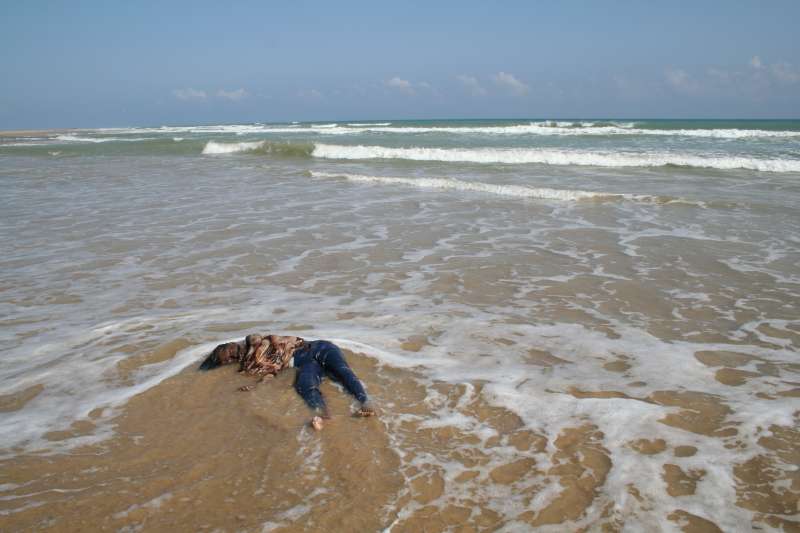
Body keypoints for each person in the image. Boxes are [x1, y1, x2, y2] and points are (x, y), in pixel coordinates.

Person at [200, 334, 375, 430]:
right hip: (307, 363)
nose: (231, 353)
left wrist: (254, 352)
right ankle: (324, 415)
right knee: (304, 386)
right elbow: (272, 373)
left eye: (229, 350)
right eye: (228, 357)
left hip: (321, 348)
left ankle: (365, 401)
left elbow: (260, 339)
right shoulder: (250, 364)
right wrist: (256, 385)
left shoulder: (252, 342)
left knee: (343, 372)